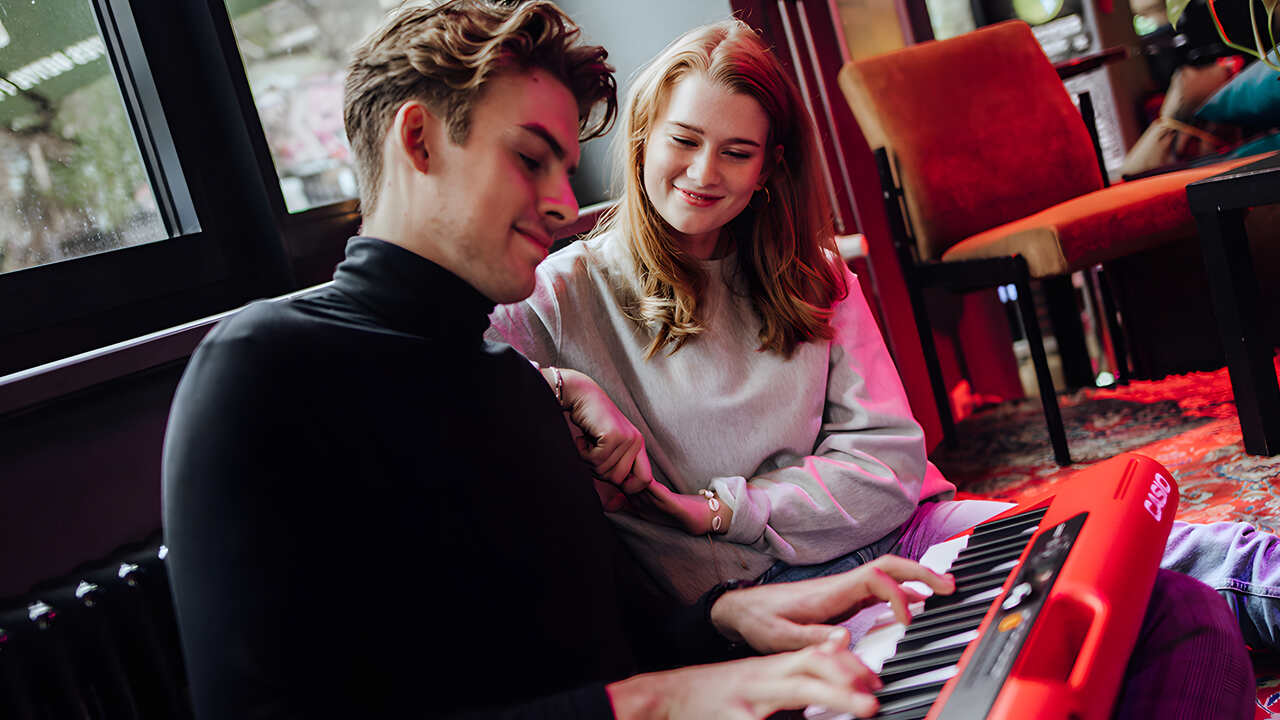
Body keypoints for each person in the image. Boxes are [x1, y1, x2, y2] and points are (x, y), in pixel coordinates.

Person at [161, 2, 965, 718]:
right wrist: (654, 698)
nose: (559, 203)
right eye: (530, 159)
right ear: (418, 140)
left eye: (564, 167)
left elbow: (599, 638)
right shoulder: (260, 368)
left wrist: (721, 619)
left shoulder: (507, 373)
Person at [485, 15, 1280, 660]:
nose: (704, 173)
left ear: (768, 170)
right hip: (764, 605)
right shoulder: (555, 296)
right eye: (684, 140)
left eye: (736, 152)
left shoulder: (814, 273)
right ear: (644, 134)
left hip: (908, 530)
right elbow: (434, 362)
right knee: (1047, 650)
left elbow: (890, 465)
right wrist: (564, 386)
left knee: (1149, 547)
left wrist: (727, 510)